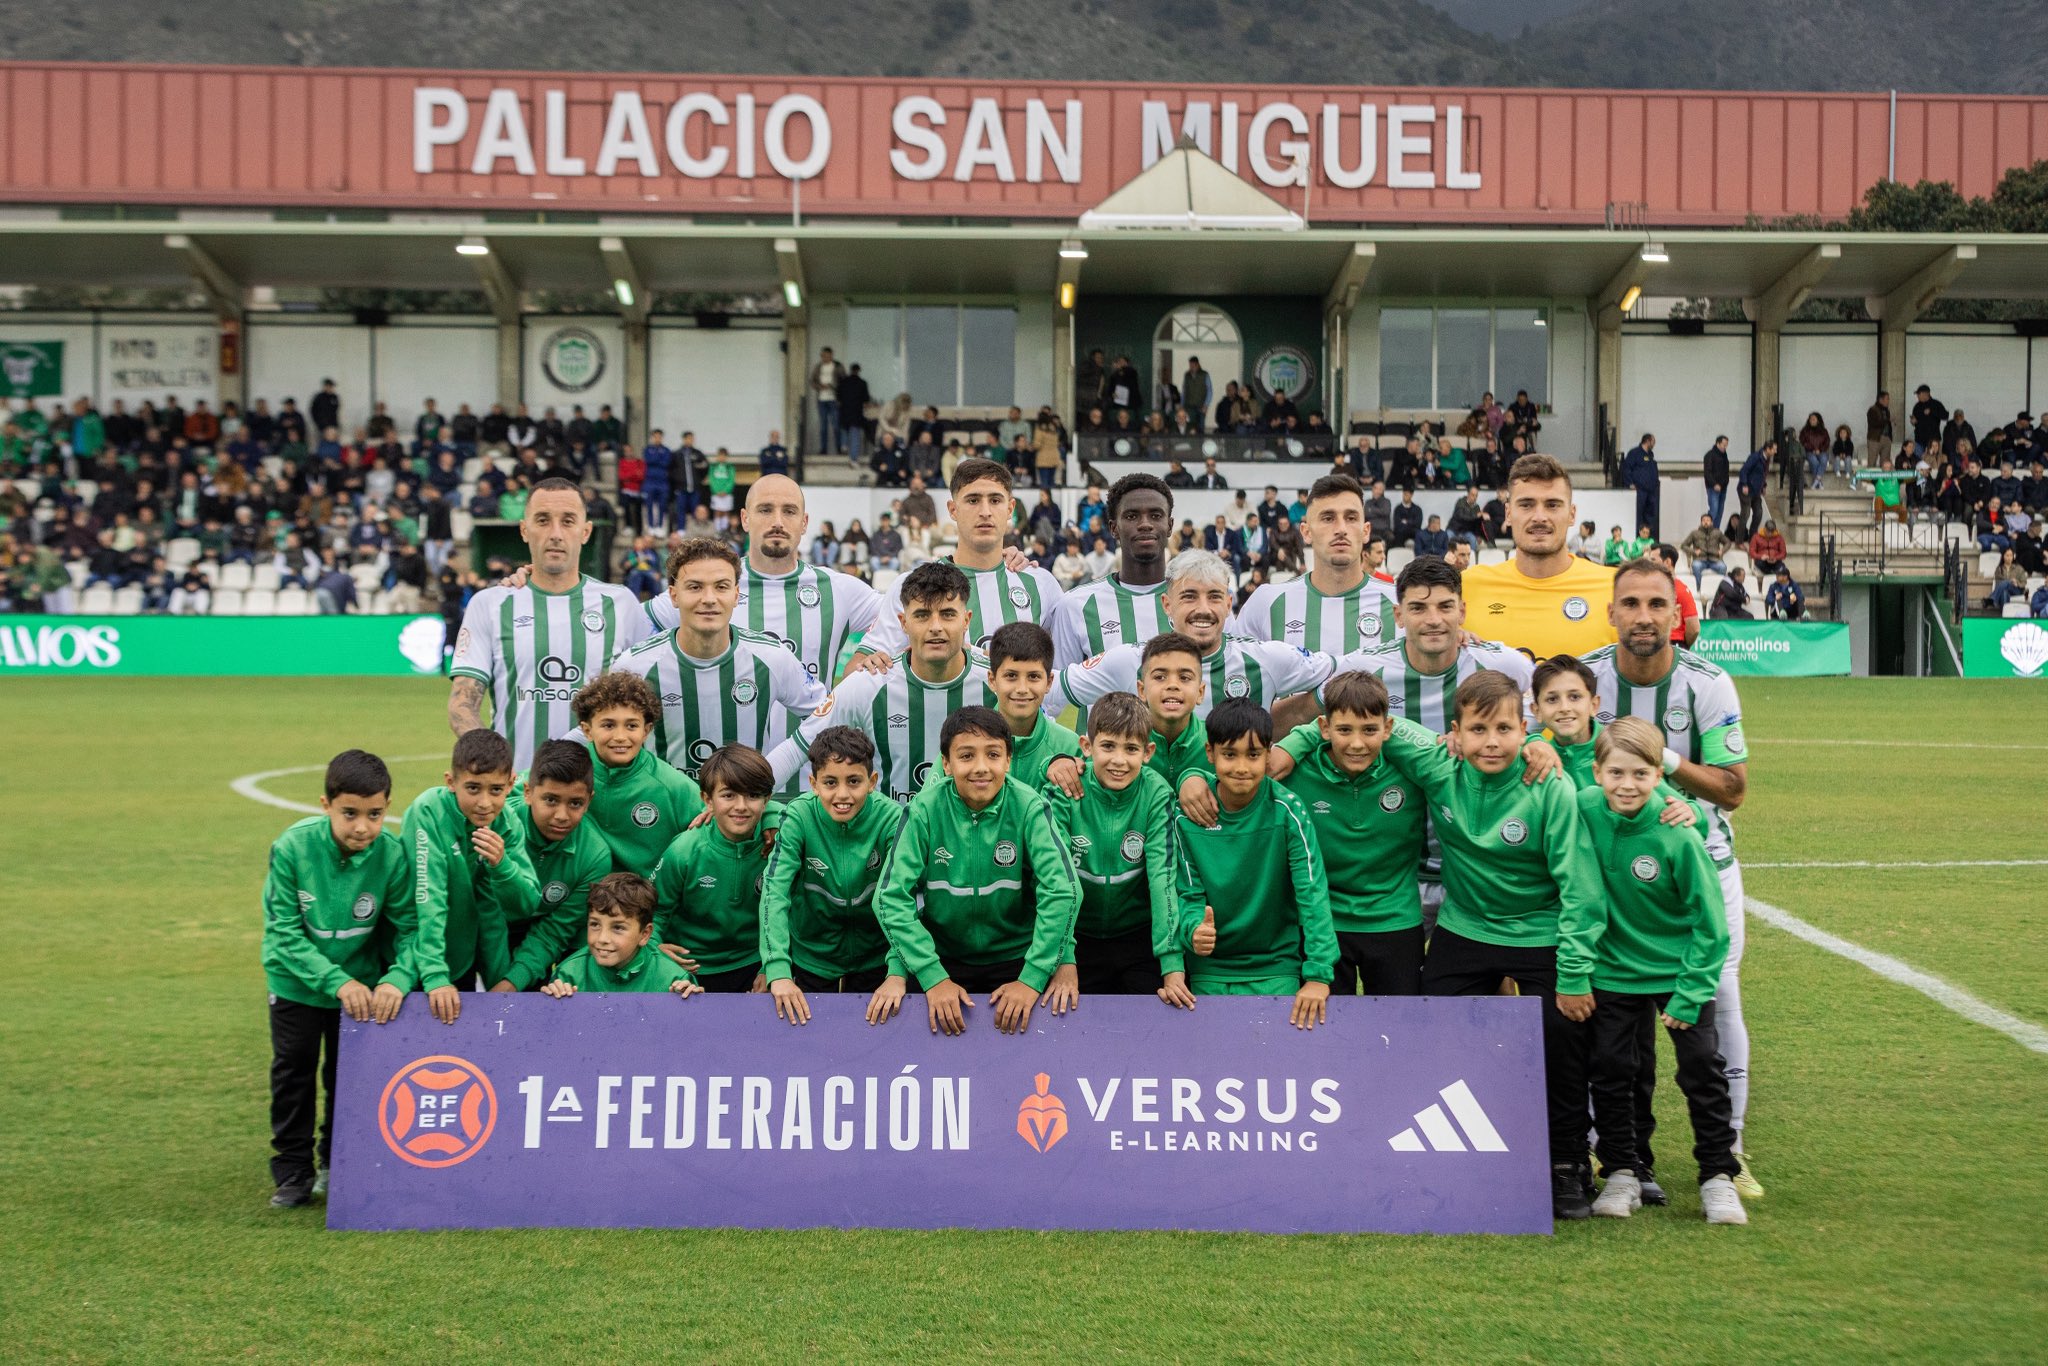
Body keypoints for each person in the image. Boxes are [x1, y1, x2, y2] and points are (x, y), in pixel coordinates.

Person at [1374, 672, 1598, 1218]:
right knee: (1429, 1027)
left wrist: (1573, 974)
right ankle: (1450, 1151)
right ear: (1455, 732)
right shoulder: (1440, 764)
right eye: (1478, 730)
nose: (1491, 742)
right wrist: (1300, 741)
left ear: (1525, 729)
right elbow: (1370, 720)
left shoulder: (1550, 787)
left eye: (1504, 729)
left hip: (1540, 930)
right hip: (1466, 927)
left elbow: (1581, 889)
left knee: (1562, 1039)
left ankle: (1567, 1163)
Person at [1584, 558, 1760, 1198]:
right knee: (1612, 1019)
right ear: (1611, 612)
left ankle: (1729, 1152)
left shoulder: (1707, 683)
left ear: (1677, 615)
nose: (1643, 617)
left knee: (1718, 997)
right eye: (1630, 604)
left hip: (1700, 865)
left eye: (1657, 604)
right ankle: (1616, 1156)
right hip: (1610, 874)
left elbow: (1733, 789)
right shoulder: (1588, 677)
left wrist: (1667, 766)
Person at [1562, 717, 1743, 1225]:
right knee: (1611, 1070)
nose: (1628, 785)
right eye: (1616, 773)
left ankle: (1718, 1176)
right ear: (1597, 773)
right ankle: (1622, 1171)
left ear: (1658, 776)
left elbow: (1711, 924)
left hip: (1678, 972)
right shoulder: (1583, 808)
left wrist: (1691, 992)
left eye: (1641, 774)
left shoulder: (1677, 832)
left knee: (1701, 1069)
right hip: (1613, 970)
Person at [259, 749, 412, 1208]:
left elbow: (410, 929)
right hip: (297, 985)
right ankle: (292, 1172)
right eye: (349, 814)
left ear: (387, 808)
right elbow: (284, 934)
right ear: (325, 805)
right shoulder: (292, 847)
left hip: (361, 988)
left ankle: (335, 1161)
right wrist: (336, 982)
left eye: (374, 814)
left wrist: (398, 977)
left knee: (347, 1076)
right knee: (294, 1073)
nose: (362, 827)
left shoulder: (392, 855)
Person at [871, 706, 1081, 1035]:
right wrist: (932, 977)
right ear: (946, 763)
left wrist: (1033, 977)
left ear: (1008, 760)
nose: (981, 767)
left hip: (1019, 959)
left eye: (993, 755)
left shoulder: (1029, 807)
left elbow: (1063, 891)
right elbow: (890, 897)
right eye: (966, 756)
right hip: (940, 958)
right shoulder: (924, 810)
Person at [642, 475, 884, 752]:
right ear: (745, 519)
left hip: (809, 771)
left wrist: (869, 649)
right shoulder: (712, 588)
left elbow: (906, 611)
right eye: (765, 510)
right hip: (727, 774)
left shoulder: (838, 589)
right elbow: (628, 625)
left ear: (804, 523)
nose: (777, 521)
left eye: (789, 511)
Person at [449, 478, 650, 772]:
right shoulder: (489, 604)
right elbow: (462, 703)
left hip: (600, 787)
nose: (555, 534)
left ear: (585, 532)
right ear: (524, 530)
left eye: (568, 521)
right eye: (543, 520)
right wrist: (493, 765)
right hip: (517, 788)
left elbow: (647, 701)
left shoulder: (621, 604)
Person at [769, 560, 996, 803]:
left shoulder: (996, 683)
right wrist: (748, 796)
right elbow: (795, 750)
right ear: (903, 623)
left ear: (966, 620)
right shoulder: (871, 683)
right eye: (922, 615)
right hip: (892, 828)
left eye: (947, 614)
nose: (935, 627)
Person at [1174, 699, 1336, 1030]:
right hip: (1210, 970)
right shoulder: (1186, 817)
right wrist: (1194, 931)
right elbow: (1187, 894)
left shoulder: (1288, 810)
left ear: (1268, 754)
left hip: (1276, 967)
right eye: (1229, 754)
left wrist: (1318, 975)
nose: (1241, 767)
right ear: (1210, 753)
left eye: (1253, 755)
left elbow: (1312, 893)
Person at [1046, 549, 1336, 733]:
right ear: (1167, 605)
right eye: (1189, 596)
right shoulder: (1128, 661)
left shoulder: (1265, 659)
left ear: (1229, 604)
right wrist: (1062, 756)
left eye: (1214, 597)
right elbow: (1044, 690)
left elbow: (1342, 672)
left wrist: (1293, 740)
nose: (1203, 609)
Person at [607, 537, 826, 781]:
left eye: (721, 587)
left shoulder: (772, 657)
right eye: (695, 587)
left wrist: (776, 766)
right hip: (662, 805)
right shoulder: (634, 666)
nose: (709, 598)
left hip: (745, 804)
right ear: (674, 595)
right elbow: (598, 735)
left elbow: (827, 714)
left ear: (736, 594)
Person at [1270, 672, 1428, 997]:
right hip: (1320, 922)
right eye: (1344, 730)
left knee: (1400, 1023)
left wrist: (1534, 743)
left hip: (1395, 918)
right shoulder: (1295, 771)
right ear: (1324, 728)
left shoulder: (1412, 769)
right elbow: (1233, 773)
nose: (1357, 744)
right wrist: (1193, 779)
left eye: (1369, 730)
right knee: (1322, 1023)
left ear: (1388, 728)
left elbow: (1462, 751)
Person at [758, 726, 912, 1026]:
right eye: (830, 782)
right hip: (811, 960)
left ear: (872, 782)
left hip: (877, 961)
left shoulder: (892, 819)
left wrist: (897, 971)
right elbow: (774, 892)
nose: (842, 794)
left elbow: (902, 897)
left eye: (854, 781)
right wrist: (777, 970)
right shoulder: (798, 817)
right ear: (814, 784)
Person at [385, 729, 538, 1028]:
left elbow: (525, 904)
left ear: (510, 784)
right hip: (414, 961)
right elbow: (429, 897)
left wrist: (502, 866)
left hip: (461, 961)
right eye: (473, 788)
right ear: (450, 782)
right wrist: (434, 975)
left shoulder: (507, 823)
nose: (484, 802)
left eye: (496, 790)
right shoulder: (428, 812)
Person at [1039, 692, 1185, 1003]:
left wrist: (1172, 966)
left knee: (1158, 1019)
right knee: (1063, 1016)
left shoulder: (1157, 794)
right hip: (1075, 937)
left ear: (1147, 752)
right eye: (1108, 746)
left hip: (1138, 939)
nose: (1119, 760)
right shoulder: (1063, 793)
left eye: (1131, 749)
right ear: (1086, 746)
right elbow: (1055, 881)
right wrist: (1064, 959)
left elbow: (1163, 880)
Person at [857, 459, 1061, 658]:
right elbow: (859, 668)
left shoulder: (1041, 584)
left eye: (995, 500)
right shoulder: (912, 585)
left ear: (1010, 509)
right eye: (973, 500)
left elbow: (1061, 669)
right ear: (953, 510)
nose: (985, 512)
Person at [1458, 455, 1621, 661]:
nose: (1539, 517)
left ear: (1572, 514)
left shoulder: (1615, 588)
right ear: (1508, 513)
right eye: (1526, 505)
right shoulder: (1467, 586)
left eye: (1552, 505)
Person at [650, 745, 779, 992]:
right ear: (708, 800)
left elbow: (793, 912)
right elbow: (655, 912)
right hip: (690, 966)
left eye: (753, 795)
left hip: (756, 961)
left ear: (767, 800)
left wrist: (771, 967)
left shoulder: (778, 844)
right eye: (728, 795)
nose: (741, 806)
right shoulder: (684, 851)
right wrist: (653, 946)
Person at [487, 740, 613, 994]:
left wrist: (512, 983)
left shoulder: (595, 856)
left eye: (575, 803)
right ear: (528, 793)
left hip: (538, 931)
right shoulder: (495, 824)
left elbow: (554, 932)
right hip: (485, 922)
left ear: (589, 800)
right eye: (551, 800)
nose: (562, 816)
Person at [1236, 474, 1398, 654]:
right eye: (1328, 518)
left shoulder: (1399, 605)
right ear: (1306, 532)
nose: (1341, 529)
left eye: (1351, 518)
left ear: (1365, 531)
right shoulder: (1266, 603)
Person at [570, 672, 705, 877]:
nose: (620, 737)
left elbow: (719, 816)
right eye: (608, 725)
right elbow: (524, 791)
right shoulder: (568, 772)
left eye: (631, 726)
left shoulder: (672, 785)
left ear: (646, 731)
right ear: (587, 731)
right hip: (581, 893)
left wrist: (764, 816)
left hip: (648, 895)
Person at [540, 873, 701, 998]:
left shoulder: (673, 978)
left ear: (644, 934)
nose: (602, 939)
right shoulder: (569, 974)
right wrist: (556, 998)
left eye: (617, 928)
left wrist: (688, 1000)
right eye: (595, 924)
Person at [986, 621, 1085, 791]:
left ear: (1049, 682)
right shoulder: (964, 741)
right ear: (992, 680)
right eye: (1011, 676)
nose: (1022, 689)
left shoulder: (1071, 747)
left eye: (1033, 677)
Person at [1656, 544, 1702, 647]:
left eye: (1653, 560)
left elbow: (1694, 628)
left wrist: (1682, 645)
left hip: (1673, 645)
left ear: (1667, 562)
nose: (1649, 565)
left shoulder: (1680, 590)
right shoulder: (1650, 589)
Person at [1620, 433, 1660, 539]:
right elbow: (1627, 468)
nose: (1654, 444)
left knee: (1650, 516)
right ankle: (1638, 537)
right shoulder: (1634, 453)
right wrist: (1630, 483)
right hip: (1640, 490)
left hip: (1651, 491)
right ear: (1647, 441)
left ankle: (1649, 538)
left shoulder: (1650, 455)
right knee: (1639, 515)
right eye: (1653, 442)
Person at [1680, 514, 1731, 589]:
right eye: (1703, 520)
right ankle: (1699, 588)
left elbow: (1728, 543)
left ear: (1711, 522)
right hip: (1700, 559)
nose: (1706, 522)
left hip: (1715, 559)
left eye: (1708, 520)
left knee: (1723, 567)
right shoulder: (1694, 533)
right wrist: (1694, 551)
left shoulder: (1717, 532)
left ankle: (1718, 588)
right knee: (1695, 566)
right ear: (1701, 522)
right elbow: (1683, 545)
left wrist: (1722, 551)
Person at [812, 347, 845, 456]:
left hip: (834, 399)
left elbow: (843, 381)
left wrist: (833, 386)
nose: (825, 358)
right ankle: (823, 449)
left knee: (836, 425)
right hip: (821, 399)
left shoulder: (837, 366)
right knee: (823, 426)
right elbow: (812, 381)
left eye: (827, 356)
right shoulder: (818, 367)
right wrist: (820, 386)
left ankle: (839, 448)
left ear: (831, 355)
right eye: (823, 356)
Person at [1737, 441, 1771, 540]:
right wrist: (1744, 484)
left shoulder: (1767, 459)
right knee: (1745, 514)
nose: (1775, 451)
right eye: (1774, 449)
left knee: (1758, 513)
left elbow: (1763, 475)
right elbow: (1744, 470)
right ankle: (1739, 539)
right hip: (1747, 489)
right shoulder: (1755, 457)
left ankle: (1752, 536)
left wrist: (1763, 486)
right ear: (1767, 449)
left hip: (1756, 490)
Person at [1910, 384, 1948, 453]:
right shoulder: (1917, 406)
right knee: (1918, 458)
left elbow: (1945, 416)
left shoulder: (1936, 404)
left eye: (1919, 394)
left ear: (1926, 394)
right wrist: (1913, 421)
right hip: (1919, 439)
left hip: (1933, 440)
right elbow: (1914, 420)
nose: (1917, 396)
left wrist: (1932, 412)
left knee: (1933, 458)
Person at [1865, 390, 1894, 466]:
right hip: (1875, 439)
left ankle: (1884, 474)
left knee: (1885, 463)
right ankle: (1871, 474)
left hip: (1887, 438)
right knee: (1872, 462)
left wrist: (1890, 438)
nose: (1888, 401)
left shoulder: (1886, 410)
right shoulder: (1872, 410)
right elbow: (1874, 423)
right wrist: (1887, 420)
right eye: (1887, 399)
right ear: (1881, 400)